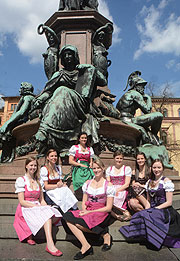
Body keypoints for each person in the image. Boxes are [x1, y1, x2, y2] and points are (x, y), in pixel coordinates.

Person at [32, 44, 107, 155]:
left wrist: (91, 68)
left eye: (70, 54)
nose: (67, 57)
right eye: (65, 55)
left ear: (75, 56)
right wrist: (40, 99)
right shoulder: (59, 74)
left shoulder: (83, 72)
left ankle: (43, 130)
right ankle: (46, 131)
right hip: (62, 106)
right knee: (58, 94)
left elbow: (103, 82)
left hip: (80, 104)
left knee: (62, 90)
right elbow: (49, 91)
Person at [120, 159, 180, 249]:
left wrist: (155, 209)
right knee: (140, 214)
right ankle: (145, 235)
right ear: (151, 168)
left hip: (164, 210)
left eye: (159, 167)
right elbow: (148, 201)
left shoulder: (166, 181)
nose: (157, 170)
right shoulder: (150, 182)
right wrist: (147, 210)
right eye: (155, 167)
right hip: (153, 208)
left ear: (163, 168)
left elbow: (169, 202)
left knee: (153, 215)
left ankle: (156, 239)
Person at [63, 158, 114, 260]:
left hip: (101, 212)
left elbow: (108, 208)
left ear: (103, 168)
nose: (96, 170)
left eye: (98, 168)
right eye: (94, 168)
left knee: (77, 224)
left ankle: (97, 239)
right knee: (67, 216)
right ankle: (92, 241)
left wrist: (90, 212)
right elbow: (84, 202)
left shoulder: (109, 185)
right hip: (88, 210)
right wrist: (84, 210)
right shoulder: (88, 183)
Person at [13, 157, 63, 257]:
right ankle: (50, 244)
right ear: (26, 166)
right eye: (31, 165)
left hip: (37, 206)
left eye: (35, 165)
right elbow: (22, 202)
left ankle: (49, 243)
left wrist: (45, 206)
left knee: (50, 213)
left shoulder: (38, 181)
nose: (33, 167)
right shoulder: (21, 180)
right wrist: (37, 207)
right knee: (46, 216)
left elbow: (42, 200)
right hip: (26, 208)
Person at [116, 71, 163, 145]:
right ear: (136, 86)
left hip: (123, 119)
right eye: (142, 86)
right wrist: (148, 98)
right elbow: (147, 110)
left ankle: (153, 137)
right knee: (159, 115)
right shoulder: (136, 94)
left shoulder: (128, 94)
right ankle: (154, 136)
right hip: (129, 120)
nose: (143, 88)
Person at [40, 149, 78, 213]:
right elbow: (46, 186)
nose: (54, 158)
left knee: (66, 190)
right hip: (49, 191)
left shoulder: (58, 168)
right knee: (63, 193)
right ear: (47, 157)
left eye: (55, 156)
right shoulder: (44, 169)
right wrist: (57, 186)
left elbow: (60, 182)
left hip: (57, 189)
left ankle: (73, 209)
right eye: (51, 156)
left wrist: (62, 184)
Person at [106, 151, 132, 221]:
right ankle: (118, 215)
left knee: (117, 197)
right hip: (112, 188)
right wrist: (113, 190)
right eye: (117, 158)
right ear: (114, 158)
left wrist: (117, 190)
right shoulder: (109, 169)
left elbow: (127, 184)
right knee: (106, 198)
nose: (119, 160)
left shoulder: (126, 169)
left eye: (121, 158)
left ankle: (124, 212)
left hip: (122, 189)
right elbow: (108, 182)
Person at [69, 132, 94, 200]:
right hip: (78, 167)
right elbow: (70, 161)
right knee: (78, 182)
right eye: (82, 138)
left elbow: (91, 160)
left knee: (89, 182)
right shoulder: (75, 148)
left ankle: (87, 197)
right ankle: (80, 197)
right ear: (79, 139)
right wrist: (80, 164)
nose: (84, 139)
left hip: (87, 168)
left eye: (85, 138)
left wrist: (91, 164)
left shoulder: (89, 149)